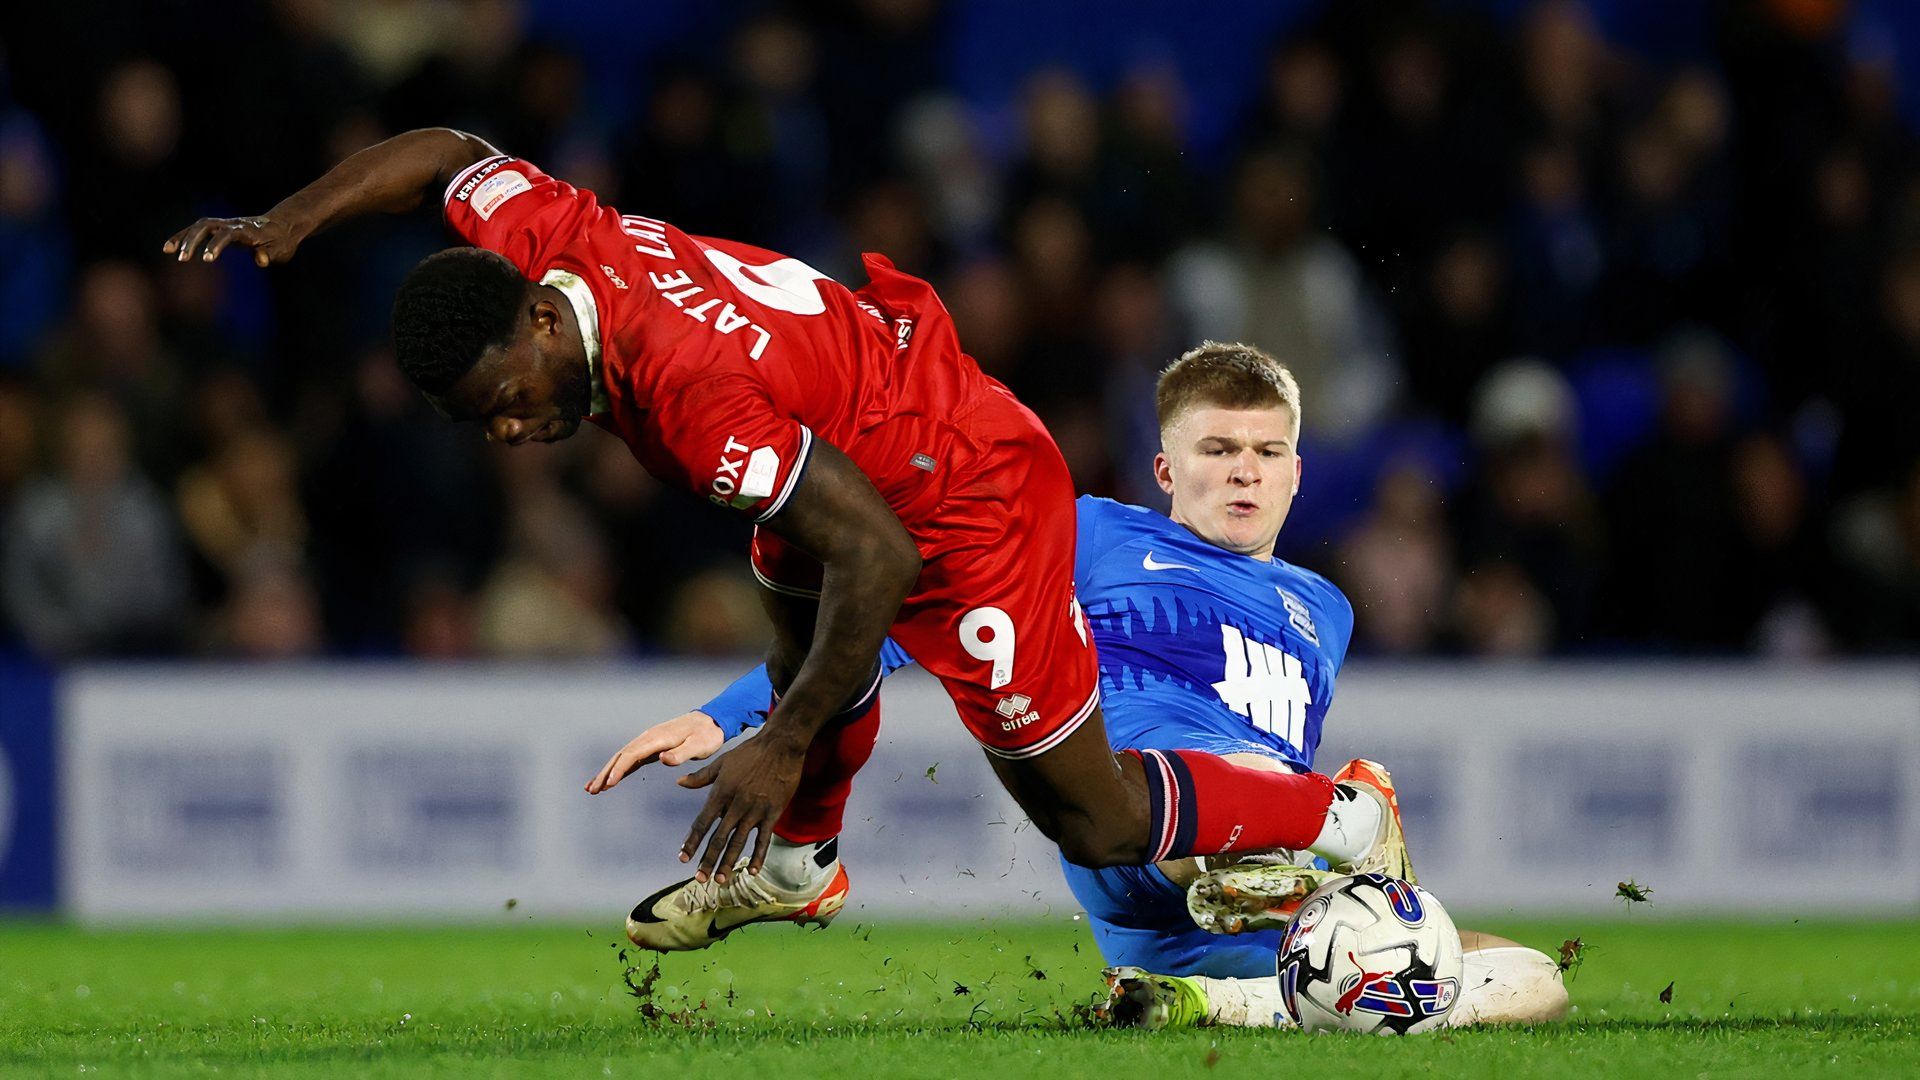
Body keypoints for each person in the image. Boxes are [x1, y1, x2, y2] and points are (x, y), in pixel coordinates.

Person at [168, 129, 1400, 950]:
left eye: (505, 398)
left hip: (963, 492)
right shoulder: (545, 237)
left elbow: (884, 559)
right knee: (787, 568)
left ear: (542, 322)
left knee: (1100, 821)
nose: (509, 428)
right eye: (479, 418)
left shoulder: (694, 401)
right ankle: (804, 863)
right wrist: (290, 219)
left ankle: (1333, 815)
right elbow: (447, 153)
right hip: (860, 444)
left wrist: (778, 742)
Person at [595, 342, 1569, 1028]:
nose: (1245, 473)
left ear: (1298, 473)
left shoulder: (1328, 606)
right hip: (1139, 819)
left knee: (1529, 981)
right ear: (1165, 468)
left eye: (1267, 453)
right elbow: (885, 623)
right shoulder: (1090, 532)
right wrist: (727, 716)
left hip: (1244, 914)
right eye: (1218, 450)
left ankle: (1224, 1002)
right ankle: (1330, 834)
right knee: (1229, 789)